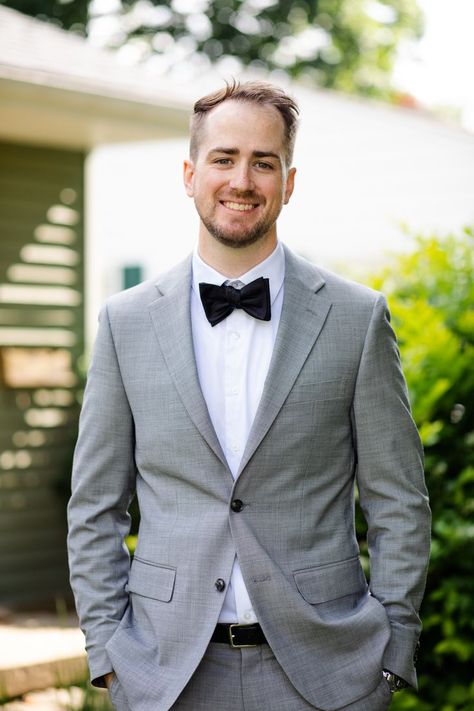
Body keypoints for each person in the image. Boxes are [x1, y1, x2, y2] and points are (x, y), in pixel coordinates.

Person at [67, 80, 431, 711]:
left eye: (264, 163)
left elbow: (399, 501)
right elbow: (95, 506)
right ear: (189, 174)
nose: (243, 179)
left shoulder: (355, 317)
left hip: (327, 675)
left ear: (289, 182)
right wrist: (108, 656)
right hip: (166, 676)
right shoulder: (125, 323)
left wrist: (391, 650)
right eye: (224, 158)